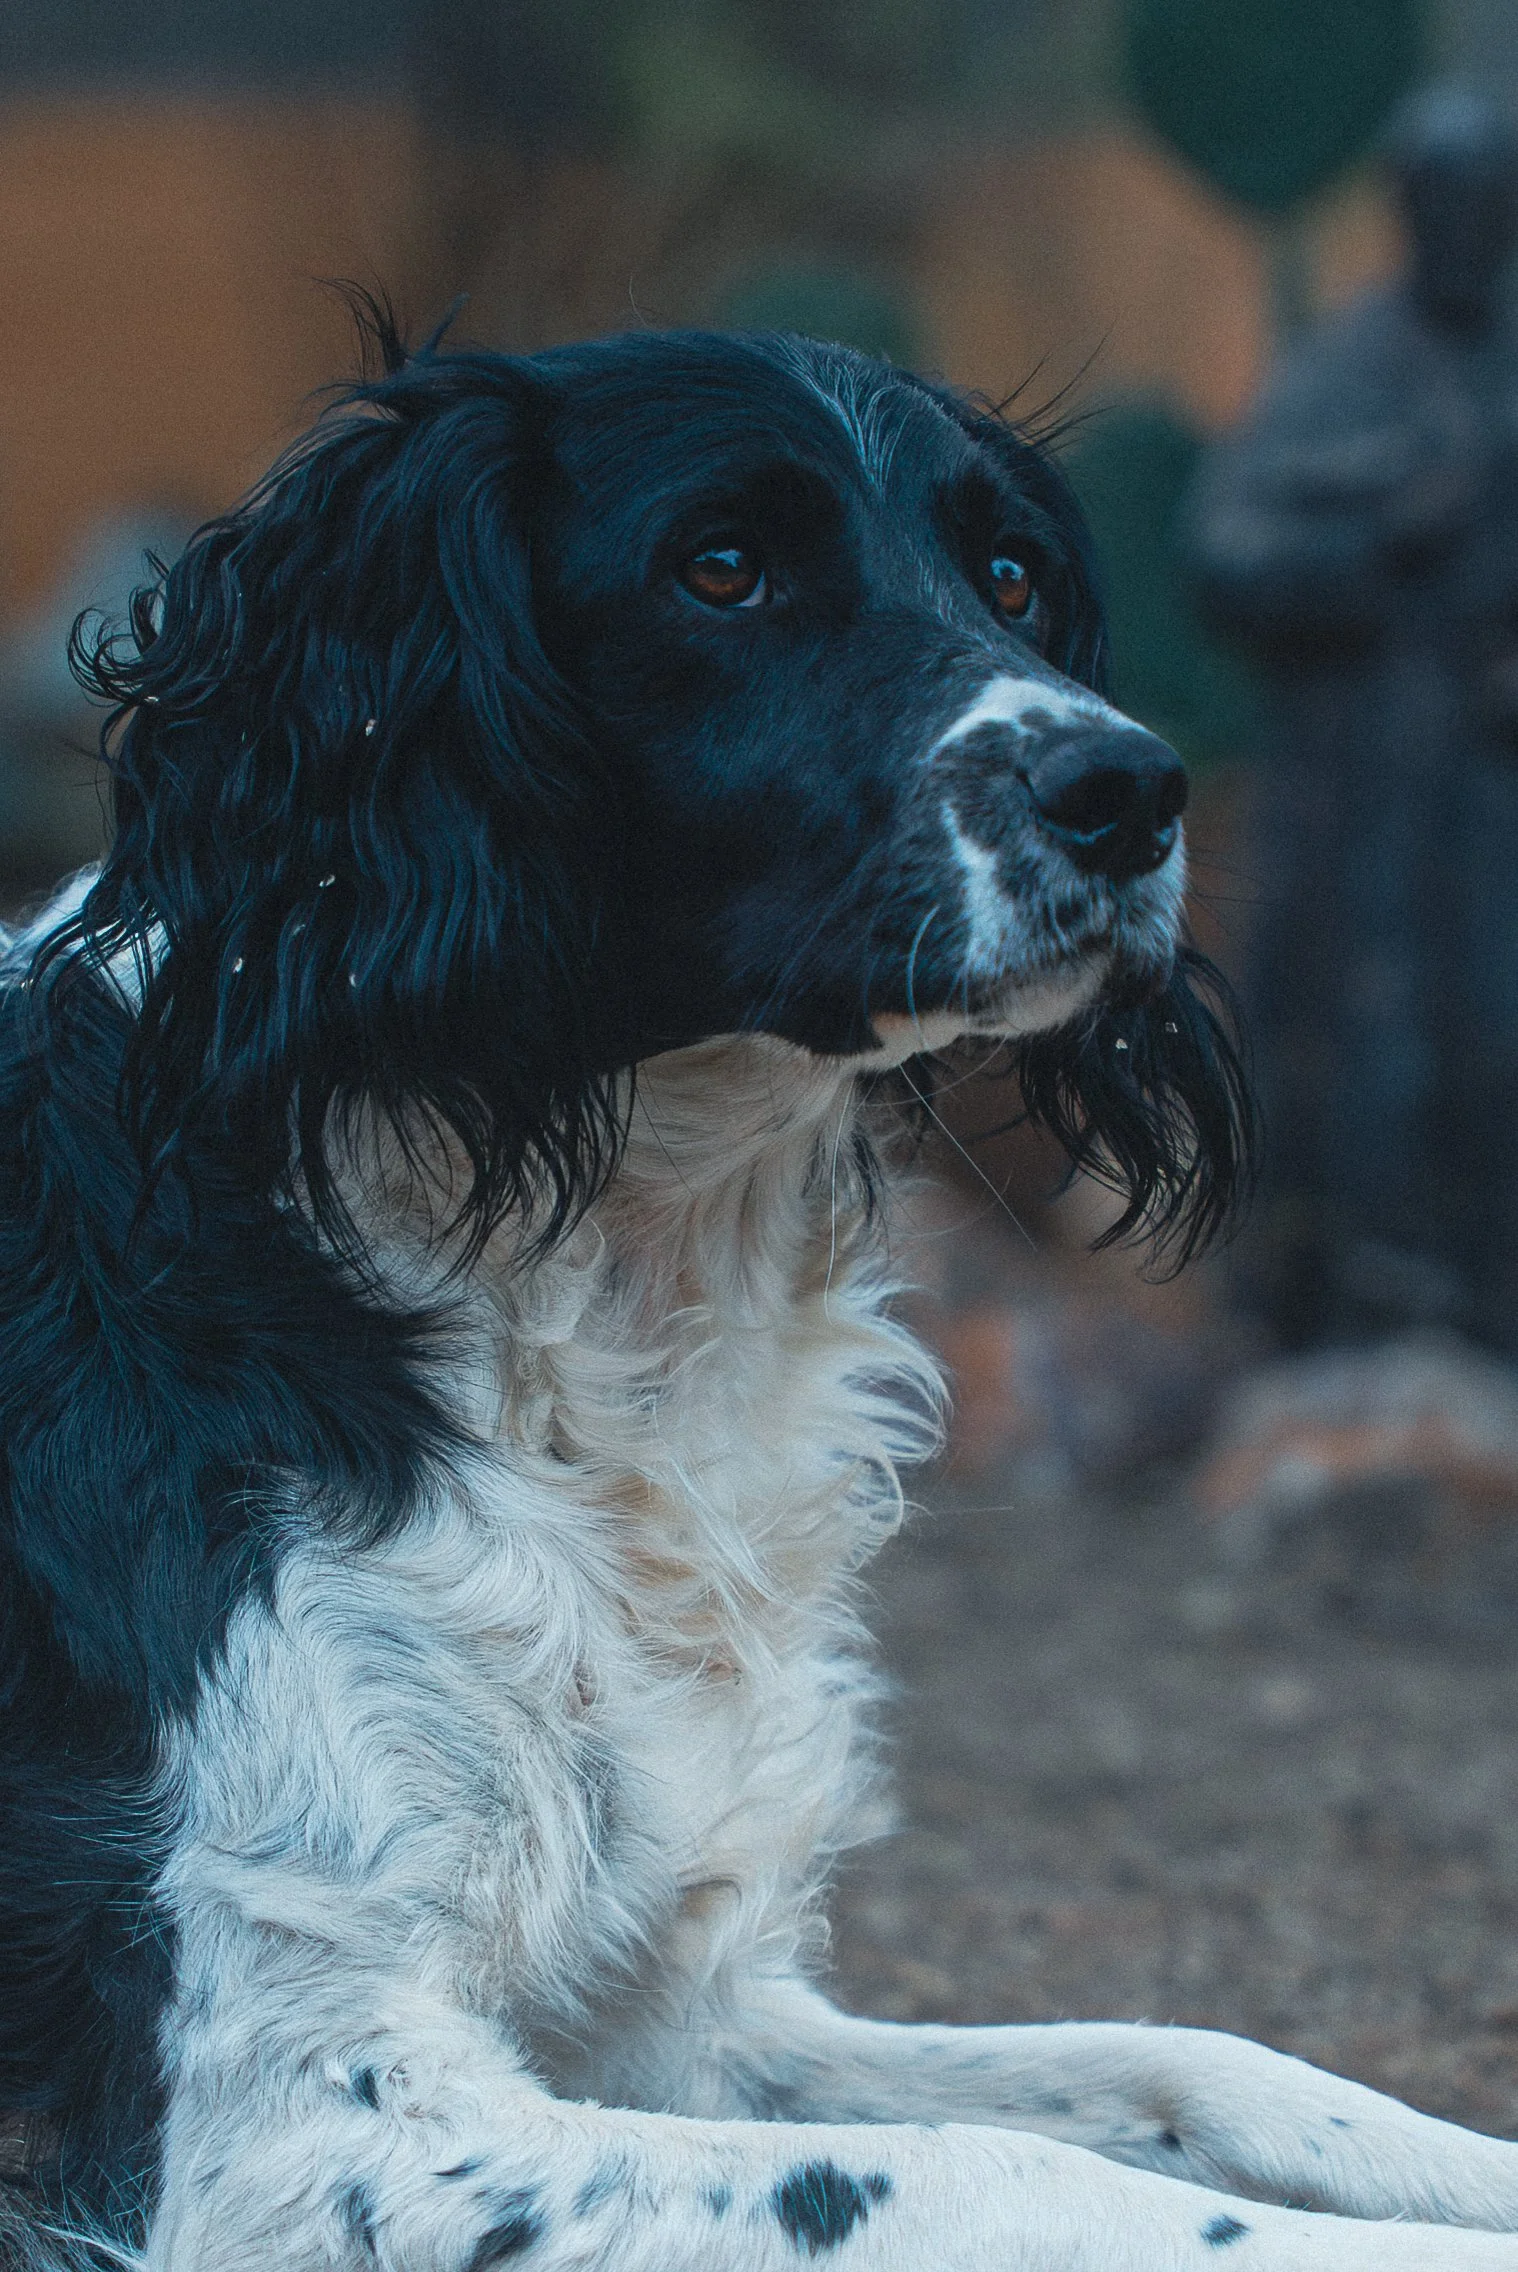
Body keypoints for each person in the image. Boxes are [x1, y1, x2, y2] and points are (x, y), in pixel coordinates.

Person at [1190, 86, 1518, 1357]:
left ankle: (1487, 1311)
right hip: (1353, 784)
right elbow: (1223, 554)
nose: (1465, 230)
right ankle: (1325, 1319)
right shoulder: (1341, 372)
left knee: (1495, 1032)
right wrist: (1379, 546)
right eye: (1442, 205)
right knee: (1353, 1043)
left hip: (1489, 788)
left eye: (1486, 205)